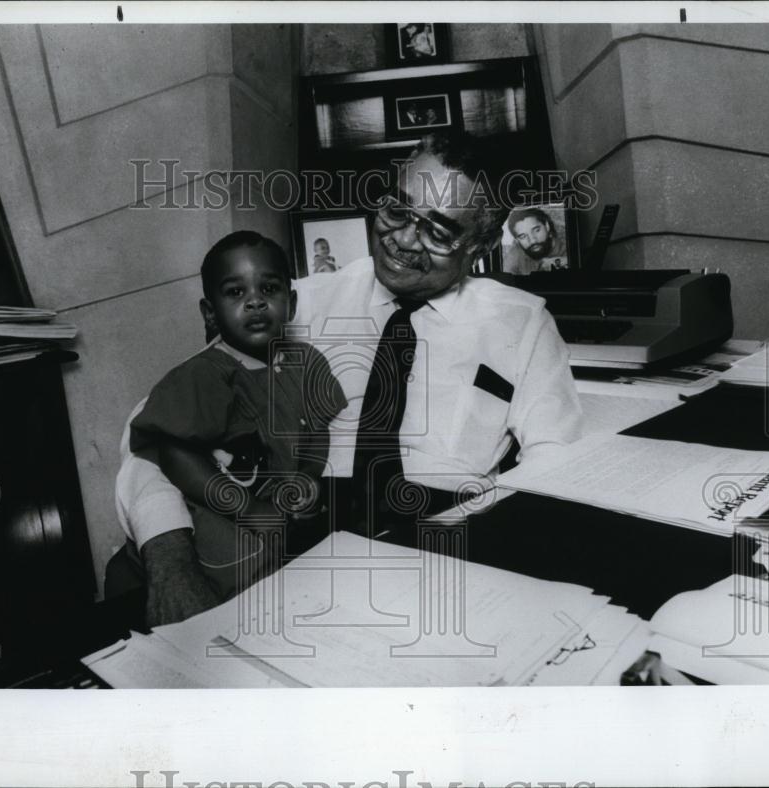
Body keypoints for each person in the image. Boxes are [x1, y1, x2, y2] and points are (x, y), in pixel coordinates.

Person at [123, 133, 583, 626]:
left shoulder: (523, 322)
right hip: (292, 554)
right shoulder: (294, 304)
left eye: (440, 232)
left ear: (482, 244)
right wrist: (169, 553)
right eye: (397, 211)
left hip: (444, 557)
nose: (404, 240)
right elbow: (152, 433)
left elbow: (556, 468)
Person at [127, 230, 346, 613]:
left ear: (290, 303)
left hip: (281, 526)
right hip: (224, 524)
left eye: (270, 288)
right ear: (210, 312)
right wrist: (247, 509)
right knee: (228, 609)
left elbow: (317, 431)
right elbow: (174, 452)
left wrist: (308, 476)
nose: (256, 301)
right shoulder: (205, 375)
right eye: (235, 293)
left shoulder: (307, 362)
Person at [503, 207, 569, 275]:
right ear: (517, 240)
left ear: (547, 226)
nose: (532, 240)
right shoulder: (514, 256)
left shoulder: (571, 250)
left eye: (536, 230)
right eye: (523, 236)